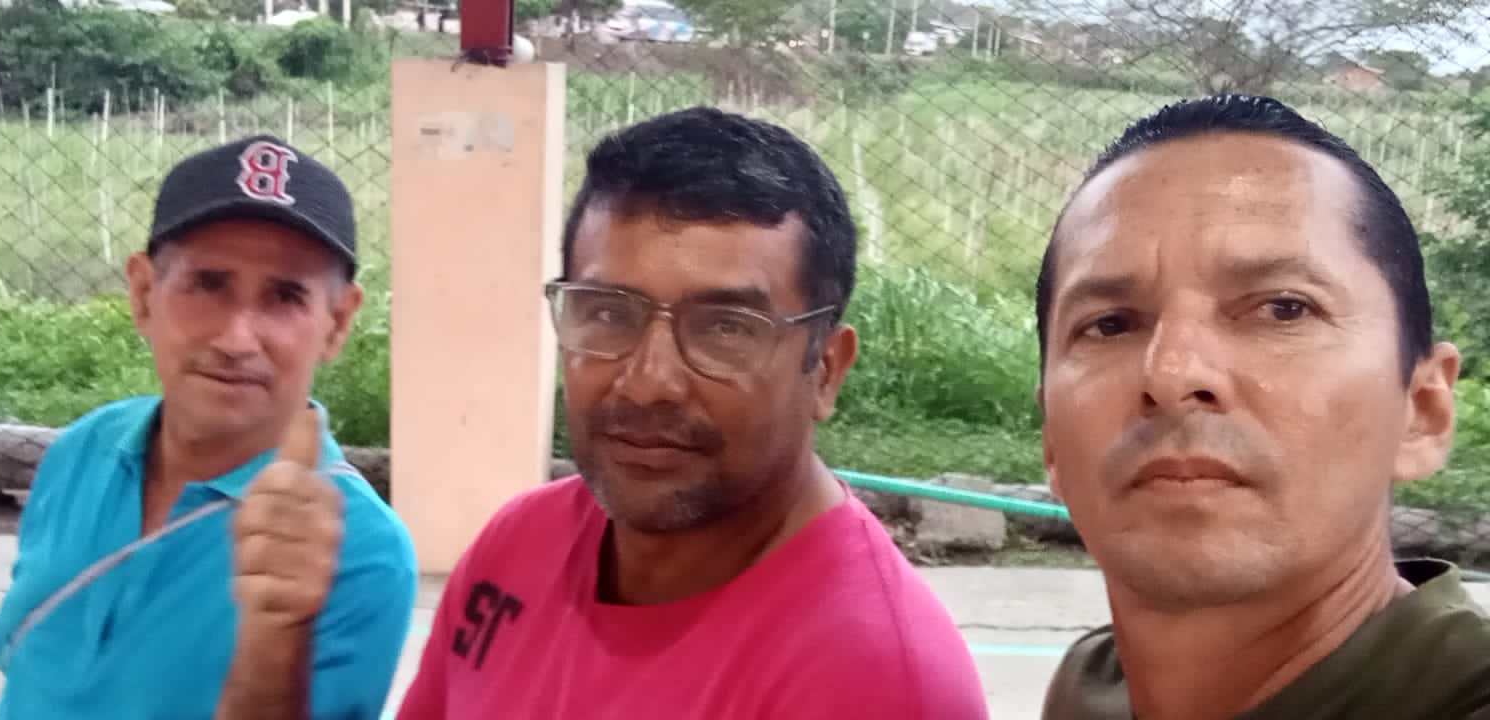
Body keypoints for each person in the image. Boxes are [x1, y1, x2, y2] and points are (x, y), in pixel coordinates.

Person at [392, 107, 991, 719]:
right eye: (607, 313)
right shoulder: (519, 545)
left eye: (726, 328)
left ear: (827, 370)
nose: (649, 382)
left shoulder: (871, 681)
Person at [1034, 93, 1490, 720]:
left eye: (1283, 308)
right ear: (1051, 440)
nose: (1171, 374)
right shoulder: (1089, 686)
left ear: (1423, 410)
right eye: (1110, 324)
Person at [0, 135, 419, 720]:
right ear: (144, 295)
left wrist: (277, 636)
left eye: (285, 296)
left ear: (337, 324)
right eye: (209, 284)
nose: (237, 339)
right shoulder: (83, 450)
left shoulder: (361, 552)